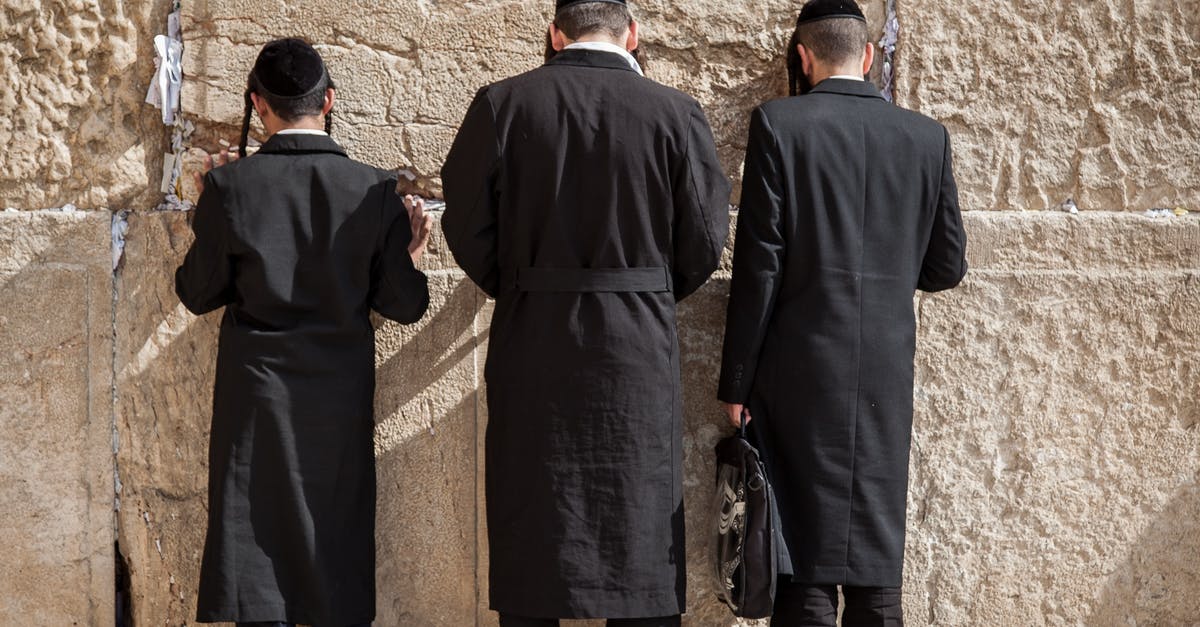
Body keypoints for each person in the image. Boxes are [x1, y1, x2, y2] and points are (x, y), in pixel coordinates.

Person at [440, 0, 731, 624]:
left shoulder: (502, 105)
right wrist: (645, 290)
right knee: (641, 534)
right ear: (633, 33)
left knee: (534, 534)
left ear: (554, 34)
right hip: (636, 355)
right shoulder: (676, 114)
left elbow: (465, 224)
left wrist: (523, 285)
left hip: (533, 347)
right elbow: (706, 239)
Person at [717, 0, 968, 625]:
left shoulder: (778, 125)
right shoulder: (926, 137)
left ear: (802, 58)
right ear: (869, 55)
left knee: (803, 559)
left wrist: (736, 383)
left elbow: (759, 269)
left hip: (798, 374)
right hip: (885, 373)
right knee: (876, 560)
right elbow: (946, 267)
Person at [175, 38, 432, 627]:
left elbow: (196, 292)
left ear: (258, 106)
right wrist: (408, 254)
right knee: (331, 552)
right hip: (337, 403)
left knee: (257, 550)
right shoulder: (373, 192)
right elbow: (405, 305)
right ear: (330, 101)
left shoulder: (228, 190)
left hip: (255, 401)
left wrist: (207, 215)